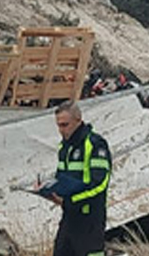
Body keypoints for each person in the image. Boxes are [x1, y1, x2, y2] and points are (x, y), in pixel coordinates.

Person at [49, 101, 112, 256]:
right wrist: (49, 190)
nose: (61, 130)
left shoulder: (95, 144)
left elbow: (100, 184)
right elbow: (62, 177)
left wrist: (71, 201)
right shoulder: (64, 147)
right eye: (58, 126)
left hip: (90, 219)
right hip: (69, 217)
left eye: (65, 125)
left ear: (78, 120)